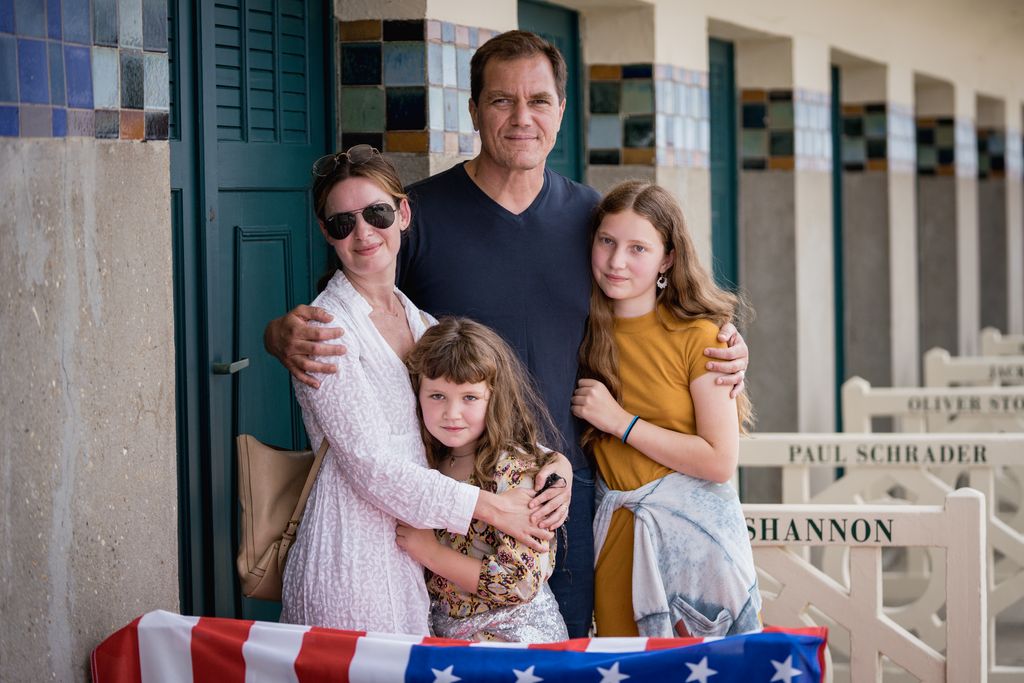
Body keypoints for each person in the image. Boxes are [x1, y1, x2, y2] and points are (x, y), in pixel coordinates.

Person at [264, 31, 750, 637]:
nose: (523, 118)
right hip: (446, 522)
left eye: (539, 101)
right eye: (501, 101)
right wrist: (278, 332)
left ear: (561, 110)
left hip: (564, 499)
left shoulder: (591, 221)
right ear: (473, 109)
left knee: (568, 663)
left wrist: (725, 344)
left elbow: (662, 305)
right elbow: (348, 302)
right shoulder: (416, 214)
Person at [280, 145, 571, 634]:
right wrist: (491, 507)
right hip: (354, 556)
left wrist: (550, 464)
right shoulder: (326, 332)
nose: (364, 233)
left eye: (376, 213)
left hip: (417, 556)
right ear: (327, 234)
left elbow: (471, 419)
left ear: (404, 213)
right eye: (342, 223)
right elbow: (371, 466)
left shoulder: (420, 321)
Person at [571, 180, 761, 638]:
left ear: (668, 258)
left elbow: (718, 461)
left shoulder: (702, 338)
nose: (617, 261)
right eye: (607, 242)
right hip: (616, 537)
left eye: (639, 248)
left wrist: (620, 423)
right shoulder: (581, 332)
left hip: (694, 546)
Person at [396, 317, 569, 642]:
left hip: (516, 641)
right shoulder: (428, 461)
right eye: (437, 396)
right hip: (456, 640)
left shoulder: (512, 470)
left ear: (495, 397)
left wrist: (431, 553)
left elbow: (520, 581)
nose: (452, 413)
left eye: (470, 398)